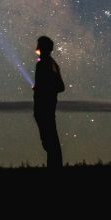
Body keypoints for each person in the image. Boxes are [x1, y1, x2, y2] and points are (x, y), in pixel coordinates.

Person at [33, 35, 65, 169]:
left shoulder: (43, 64)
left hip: (44, 107)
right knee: (50, 142)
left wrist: (42, 88)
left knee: (49, 142)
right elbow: (60, 86)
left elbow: (59, 86)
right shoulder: (52, 64)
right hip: (48, 107)